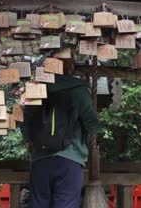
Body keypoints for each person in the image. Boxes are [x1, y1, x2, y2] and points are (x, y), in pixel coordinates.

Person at [22, 53, 99, 208]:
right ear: (71, 67)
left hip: (40, 160)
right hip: (70, 159)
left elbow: (25, 123)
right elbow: (92, 125)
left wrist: (33, 144)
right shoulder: (78, 89)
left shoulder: (36, 89)